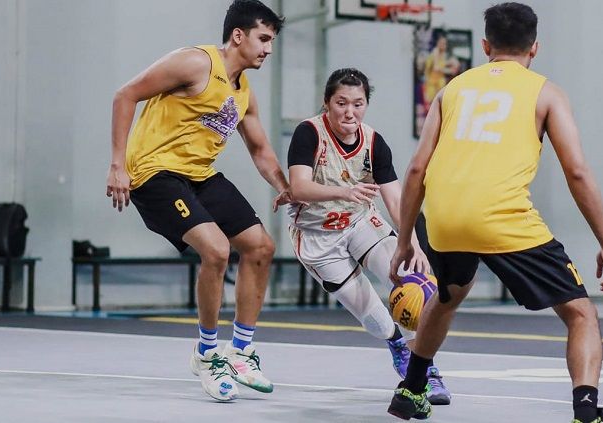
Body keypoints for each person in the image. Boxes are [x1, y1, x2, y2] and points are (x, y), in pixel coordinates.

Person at [386, 3, 603, 423]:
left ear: (485, 45)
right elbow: (578, 173)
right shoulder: (545, 92)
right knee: (580, 313)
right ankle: (586, 410)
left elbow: (418, 168)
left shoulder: (451, 89)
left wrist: (405, 241)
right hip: (500, 217)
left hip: (442, 217)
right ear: (535, 47)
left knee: (447, 295)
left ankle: (411, 388)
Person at [106, 0, 291, 402]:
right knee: (217, 250)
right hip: (155, 174)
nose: (268, 49)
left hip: (198, 176)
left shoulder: (243, 92)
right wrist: (117, 165)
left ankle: (240, 351)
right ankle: (207, 355)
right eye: (263, 39)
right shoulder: (195, 64)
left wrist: (285, 186)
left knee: (261, 247)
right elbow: (125, 95)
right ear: (238, 36)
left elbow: (260, 150)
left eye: (272, 41)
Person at [286, 68, 451, 405]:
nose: (350, 112)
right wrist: (345, 191)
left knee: (412, 277)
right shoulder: (309, 134)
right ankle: (396, 345)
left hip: (361, 222)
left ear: (366, 105)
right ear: (327, 104)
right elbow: (298, 187)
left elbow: (395, 199)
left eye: (358, 104)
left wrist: (412, 244)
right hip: (318, 236)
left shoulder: (374, 141)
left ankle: (426, 369)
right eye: (342, 103)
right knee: (372, 315)